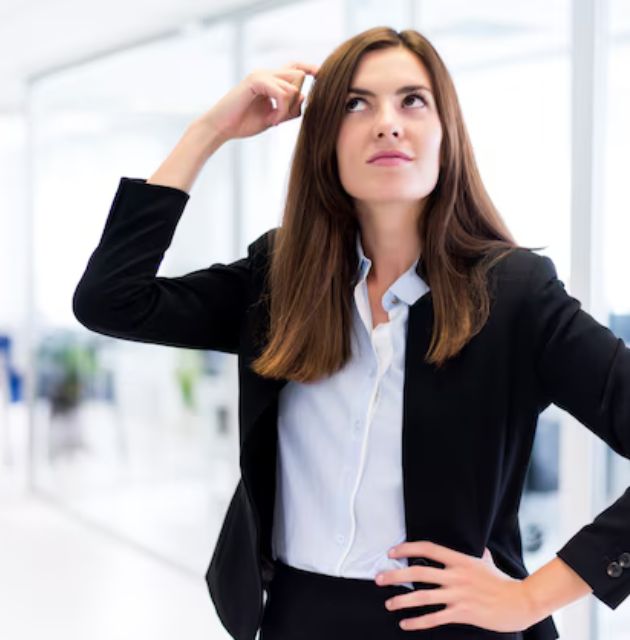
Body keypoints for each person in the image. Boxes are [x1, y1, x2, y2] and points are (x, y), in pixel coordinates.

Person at [72, 26, 630, 640]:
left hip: (450, 625)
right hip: (295, 617)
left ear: (447, 134)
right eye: (354, 104)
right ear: (324, 142)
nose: (387, 123)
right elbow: (111, 301)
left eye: (412, 101)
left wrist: (532, 598)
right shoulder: (280, 279)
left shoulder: (516, 293)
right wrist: (208, 134)